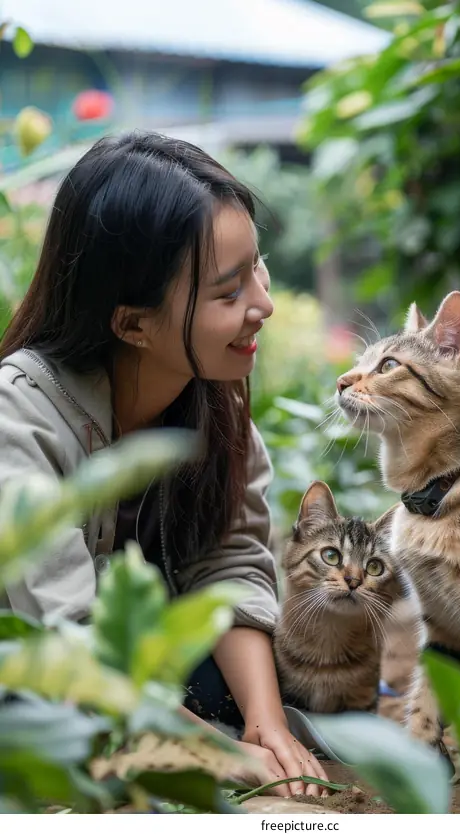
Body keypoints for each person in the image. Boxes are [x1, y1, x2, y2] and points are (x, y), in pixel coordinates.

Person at [0, 131, 329, 797]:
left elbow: (231, 560)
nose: (262, 305)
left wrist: (267, 727)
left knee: (271, 689)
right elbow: (70, 639)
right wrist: (218, 753)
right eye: (228, 292)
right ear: (132, 324)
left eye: (256, 270)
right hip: (43, 678)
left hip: (143, 677)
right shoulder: (20, 418)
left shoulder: (214, 398)